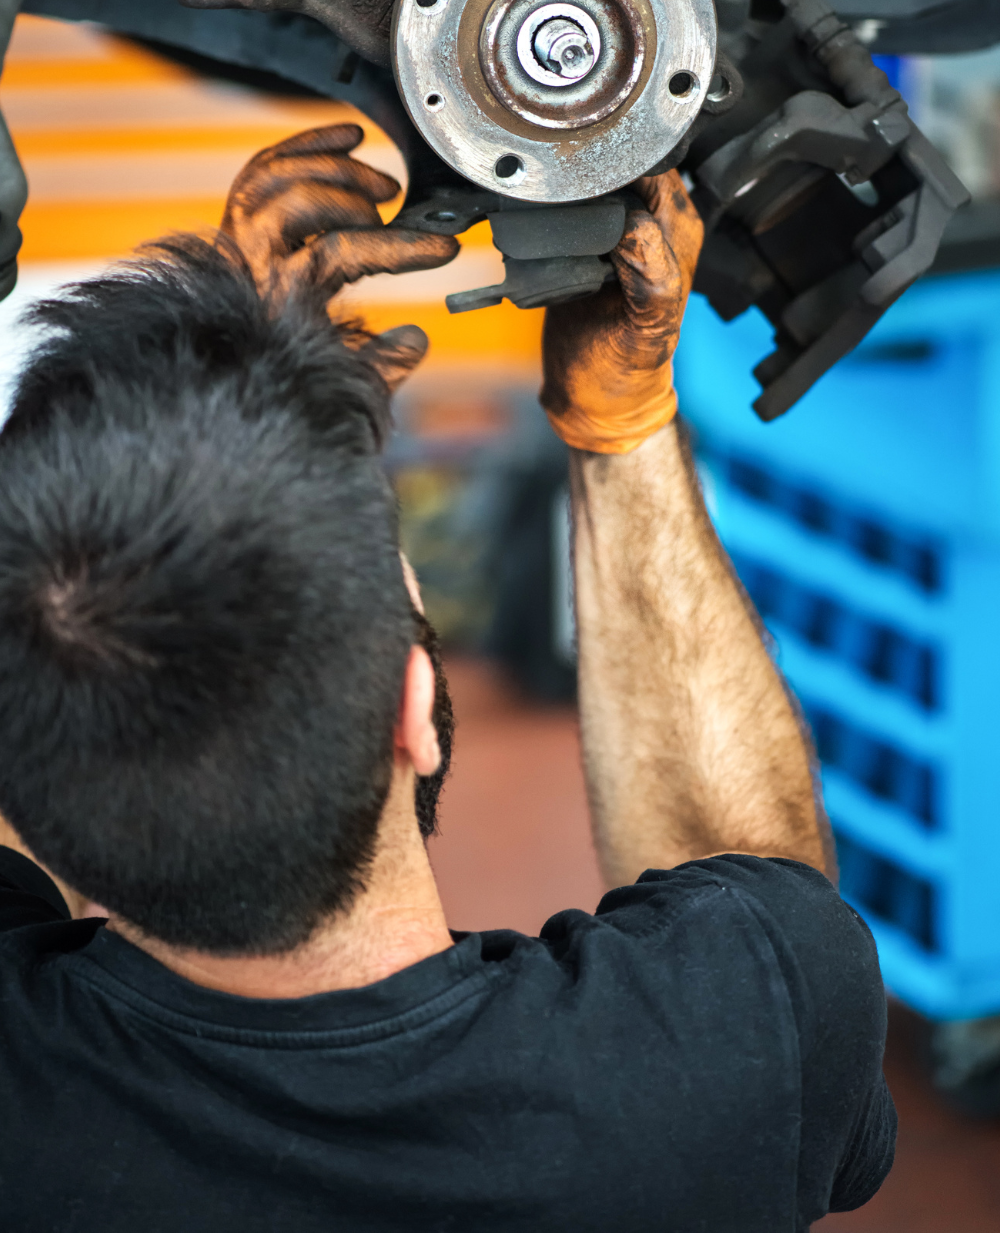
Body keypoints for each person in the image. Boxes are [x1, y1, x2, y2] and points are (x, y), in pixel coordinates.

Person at [0, 123, 894, 1230]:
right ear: (413, 708)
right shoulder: (722, 1064)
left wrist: (202, 395)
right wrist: (622, 427)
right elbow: (766, 903)